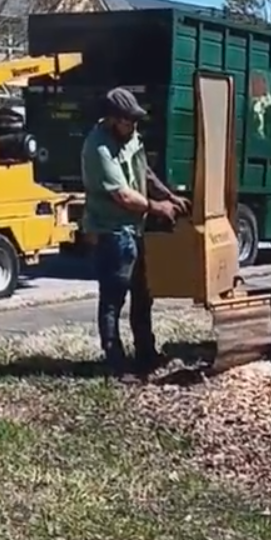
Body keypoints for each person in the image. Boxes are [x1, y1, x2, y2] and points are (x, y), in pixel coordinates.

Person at [80, 89, 190, 375]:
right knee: (113, 300)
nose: (134, 126)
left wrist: (169, 196)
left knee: (143, 295)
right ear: (113, 119)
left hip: (134, 229)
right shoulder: (98, 148)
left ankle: (146, 353)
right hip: (112, 231)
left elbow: (145, 172)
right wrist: (157, 207)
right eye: (129, 121)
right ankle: (115, 362)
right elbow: (123, 195)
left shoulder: (131, 137)